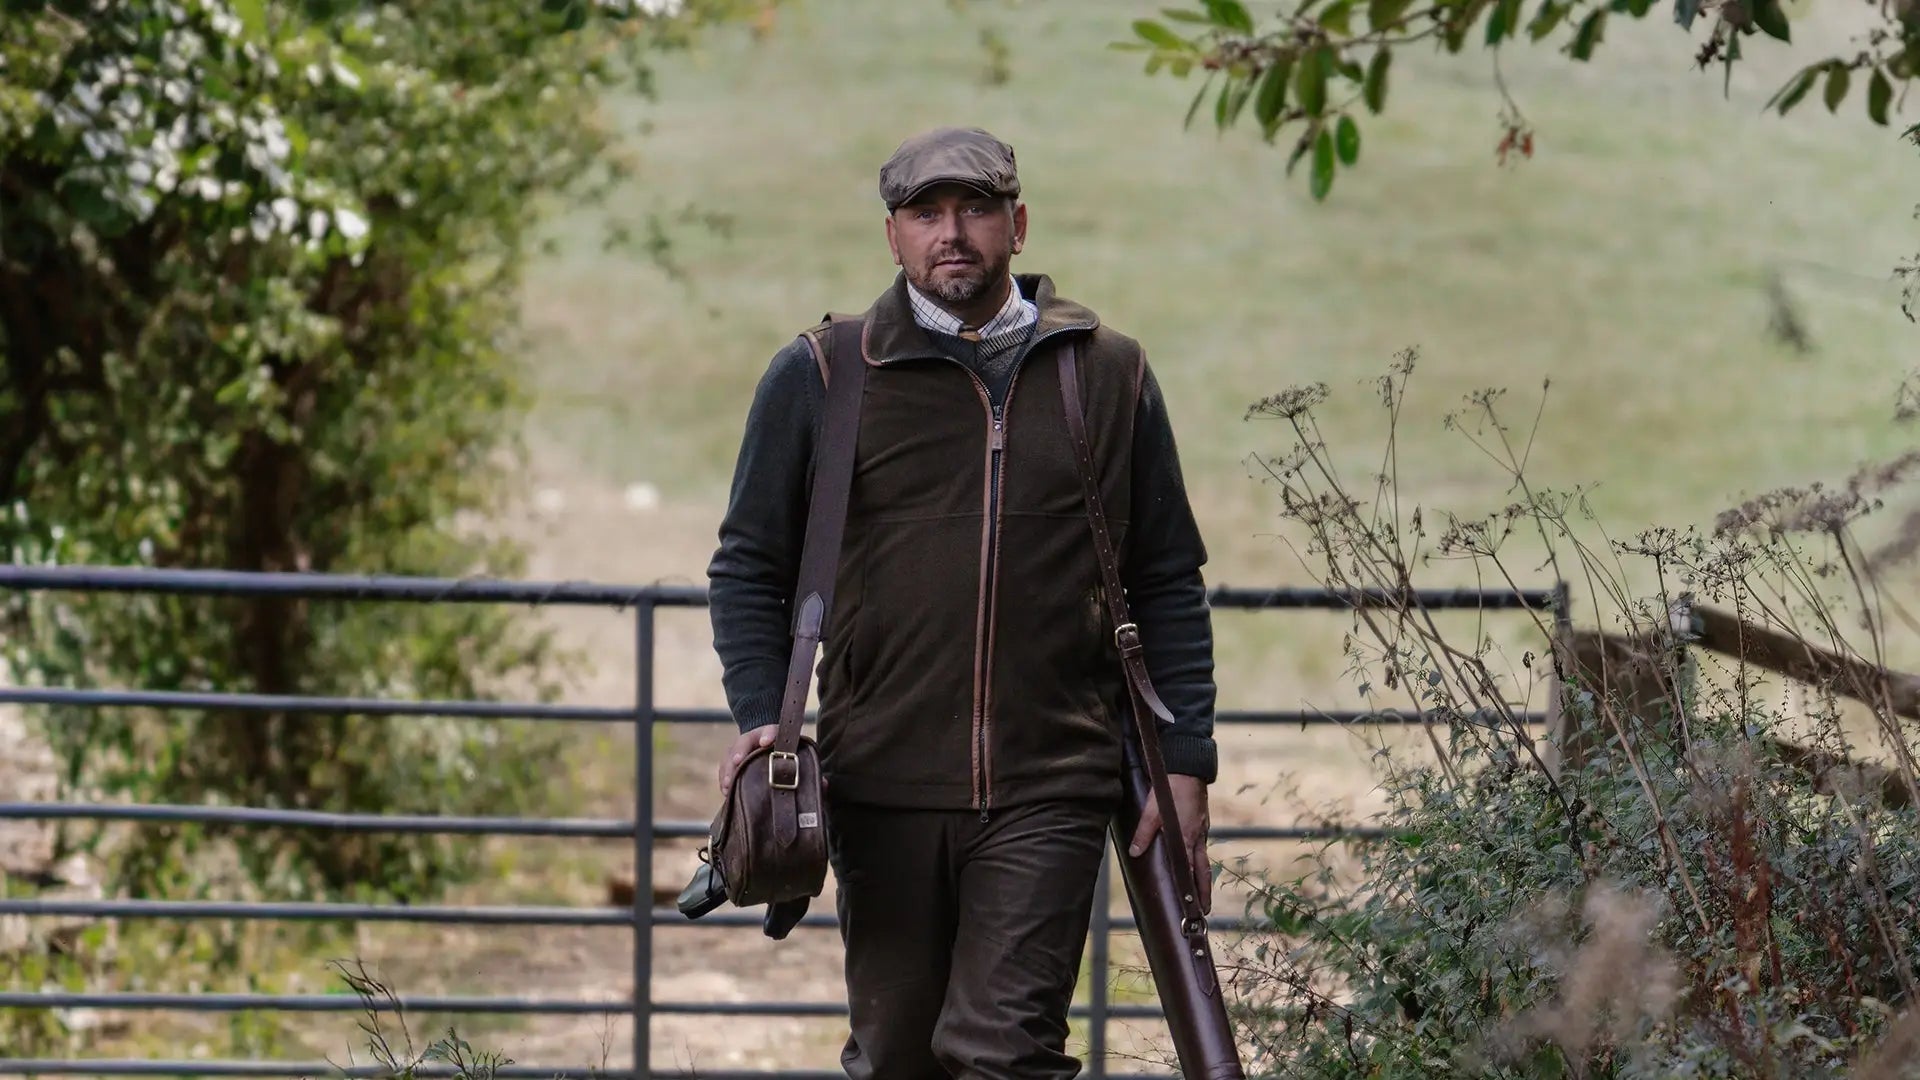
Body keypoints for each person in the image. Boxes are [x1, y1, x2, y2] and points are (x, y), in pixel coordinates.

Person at [705, 126, 1219, 1080]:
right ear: (892, 237)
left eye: (977, 209)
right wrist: (761, 717)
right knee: (898, 1056)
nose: (954, 233)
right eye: (926, 214)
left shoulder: (1109, 373)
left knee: (1002, 1051)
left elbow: (1166, 579)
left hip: (1054, 780)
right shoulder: (824, 375)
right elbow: (747, 568)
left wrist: (1185, 759)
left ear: (1017, 225)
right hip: (879, 781)